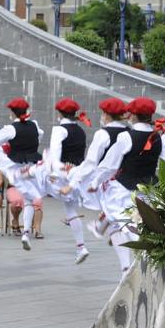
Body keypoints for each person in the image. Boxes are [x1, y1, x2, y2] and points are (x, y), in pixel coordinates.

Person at [89, 97, 165, 278]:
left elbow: (110, 165)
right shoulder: (161, 137)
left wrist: (95, 182)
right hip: (149, 189)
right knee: (129, 223)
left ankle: (133, 264)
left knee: (125, 224)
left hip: (124, 189)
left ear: (133, 115)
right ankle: (129, 264)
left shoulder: (125, 136)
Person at [0, 98, 45, 251]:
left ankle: (27, 233)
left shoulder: (11, 129)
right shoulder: (34, 125)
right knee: (29, 201)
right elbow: (40, 134)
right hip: (32, 165)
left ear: (11, 113)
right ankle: (26, 233)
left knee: (1, 147)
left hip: (15, 167)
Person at [62, 98, 129, 238]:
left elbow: (91, 162)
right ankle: (104, 224)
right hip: (126, 179)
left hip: (106, 180)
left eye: (103, 113)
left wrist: (73, 182)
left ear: (106, 114)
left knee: (117, 215)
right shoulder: (129, 133)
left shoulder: (103, 134)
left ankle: (111, 227)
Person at [44, 98, 91, 264]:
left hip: (63, 173)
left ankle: (27, 230)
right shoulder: (80, 130)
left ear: (59, 113)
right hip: (77, 173)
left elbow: (55, 155)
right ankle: (81, 247)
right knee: (71, 211)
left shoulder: (59, 130)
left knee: (30, 183)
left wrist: (52, 171)